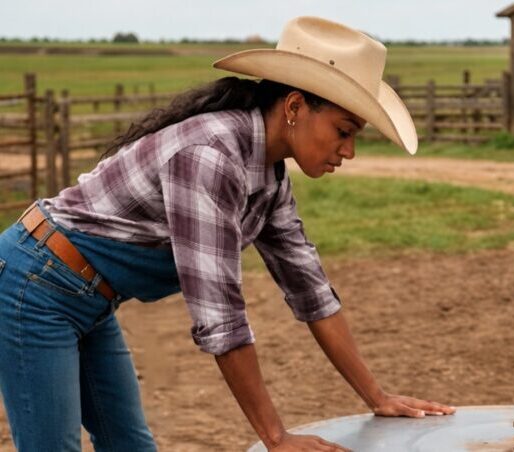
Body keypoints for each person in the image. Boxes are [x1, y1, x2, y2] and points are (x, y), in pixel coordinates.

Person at [0, 16, 455, 452]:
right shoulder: (209, 157)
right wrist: (276, 438)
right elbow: (219, 315)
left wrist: (377, 397)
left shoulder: (270, 177)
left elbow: (311, 291)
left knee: (131, 446)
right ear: (295, 106)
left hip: (90, 299)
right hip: (35, 287)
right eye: (343, 131)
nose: (349, 151)